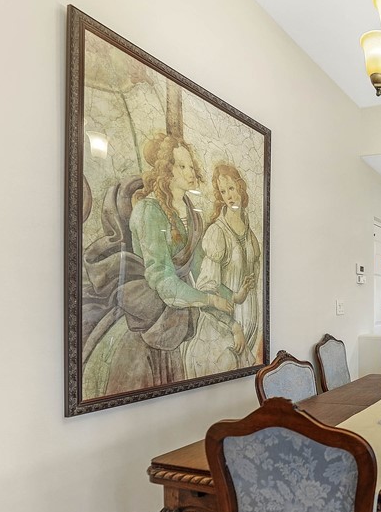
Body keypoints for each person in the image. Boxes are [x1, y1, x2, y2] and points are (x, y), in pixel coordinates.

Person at [81, 133, 232, 398]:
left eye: (190, 166)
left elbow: (199, 271)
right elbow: (164, 281)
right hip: (148, 318)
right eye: (181, 166)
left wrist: (230, 300)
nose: (190, 172)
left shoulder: (191, 213)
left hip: (176, 317)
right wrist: (211, 301)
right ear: (166, 170)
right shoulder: (148, 211)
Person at [184, 163, 263, 376]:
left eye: (231, 188)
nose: (229, 195)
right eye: (223, 191)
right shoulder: (217, 234)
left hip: (244, 340)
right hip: (219, 340)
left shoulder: (251, 236)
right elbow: (207, 291)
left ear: (240, 188)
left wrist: (240, 295)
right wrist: (233, 325)